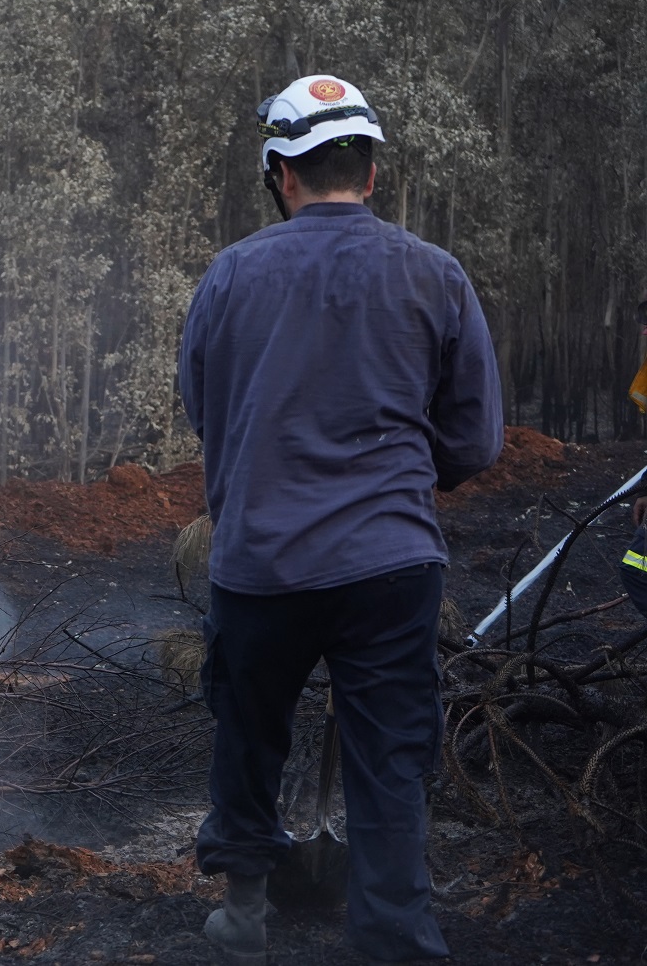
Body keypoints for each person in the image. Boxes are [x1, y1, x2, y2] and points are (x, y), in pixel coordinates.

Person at [178, 75, 504, 963]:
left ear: (281, 173)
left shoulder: (232, 273)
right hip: (390, 567)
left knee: (248, 736)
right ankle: (393, 935)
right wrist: (398, 478)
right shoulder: (436, 274)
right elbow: (475, 441)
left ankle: (245, 916)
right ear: (370, 172)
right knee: (391, 757)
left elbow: (203, 409)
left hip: (260, 564)